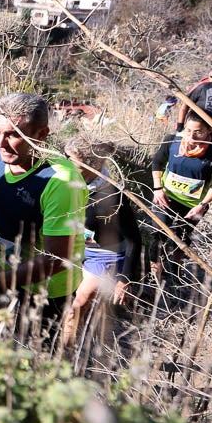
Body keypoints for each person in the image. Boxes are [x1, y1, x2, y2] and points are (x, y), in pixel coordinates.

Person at [0, 93, 88, 334]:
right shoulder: (1, 150)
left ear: (42, 134)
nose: (2, 143)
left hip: (43, 287)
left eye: (14, 134)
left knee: (30, 350)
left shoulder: (62, 182)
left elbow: (57, 259)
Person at [63, 137, 143, 338]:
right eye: (66, 159)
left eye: (74, 164)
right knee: (82, 304)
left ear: (93, 168)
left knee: (79, 303)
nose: (67, 167)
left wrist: (124, 280)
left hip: (105, 255)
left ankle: (64, 351)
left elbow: (134, 239)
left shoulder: (111, 196)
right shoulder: (66, 183)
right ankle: (79, 341)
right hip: (78, 248)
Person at [149, 114, 212, 280]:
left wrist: (203, 205)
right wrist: (157, 188)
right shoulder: (173, 140)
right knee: (158, 234)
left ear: (209, 129)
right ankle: (155, 274)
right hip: (165, 198)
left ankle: (175, 267)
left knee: (182, 236)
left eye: (198, 132)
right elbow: (157, 162)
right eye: (188, 130)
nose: (192, 136)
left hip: (194, 206)